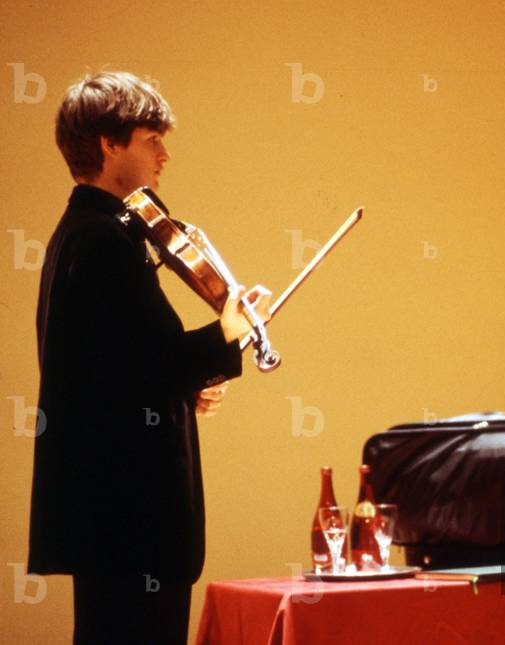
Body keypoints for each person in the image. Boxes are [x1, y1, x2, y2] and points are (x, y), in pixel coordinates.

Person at [28, 71, 271, 645]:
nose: (165, 153)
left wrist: (186, 387)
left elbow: (112, 367)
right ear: (110, 144)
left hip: (114, 517)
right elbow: (147, 365)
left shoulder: (91, 232)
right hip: (129, 517)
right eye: (150, 138)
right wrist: (224, 334)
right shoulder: (102, 240)